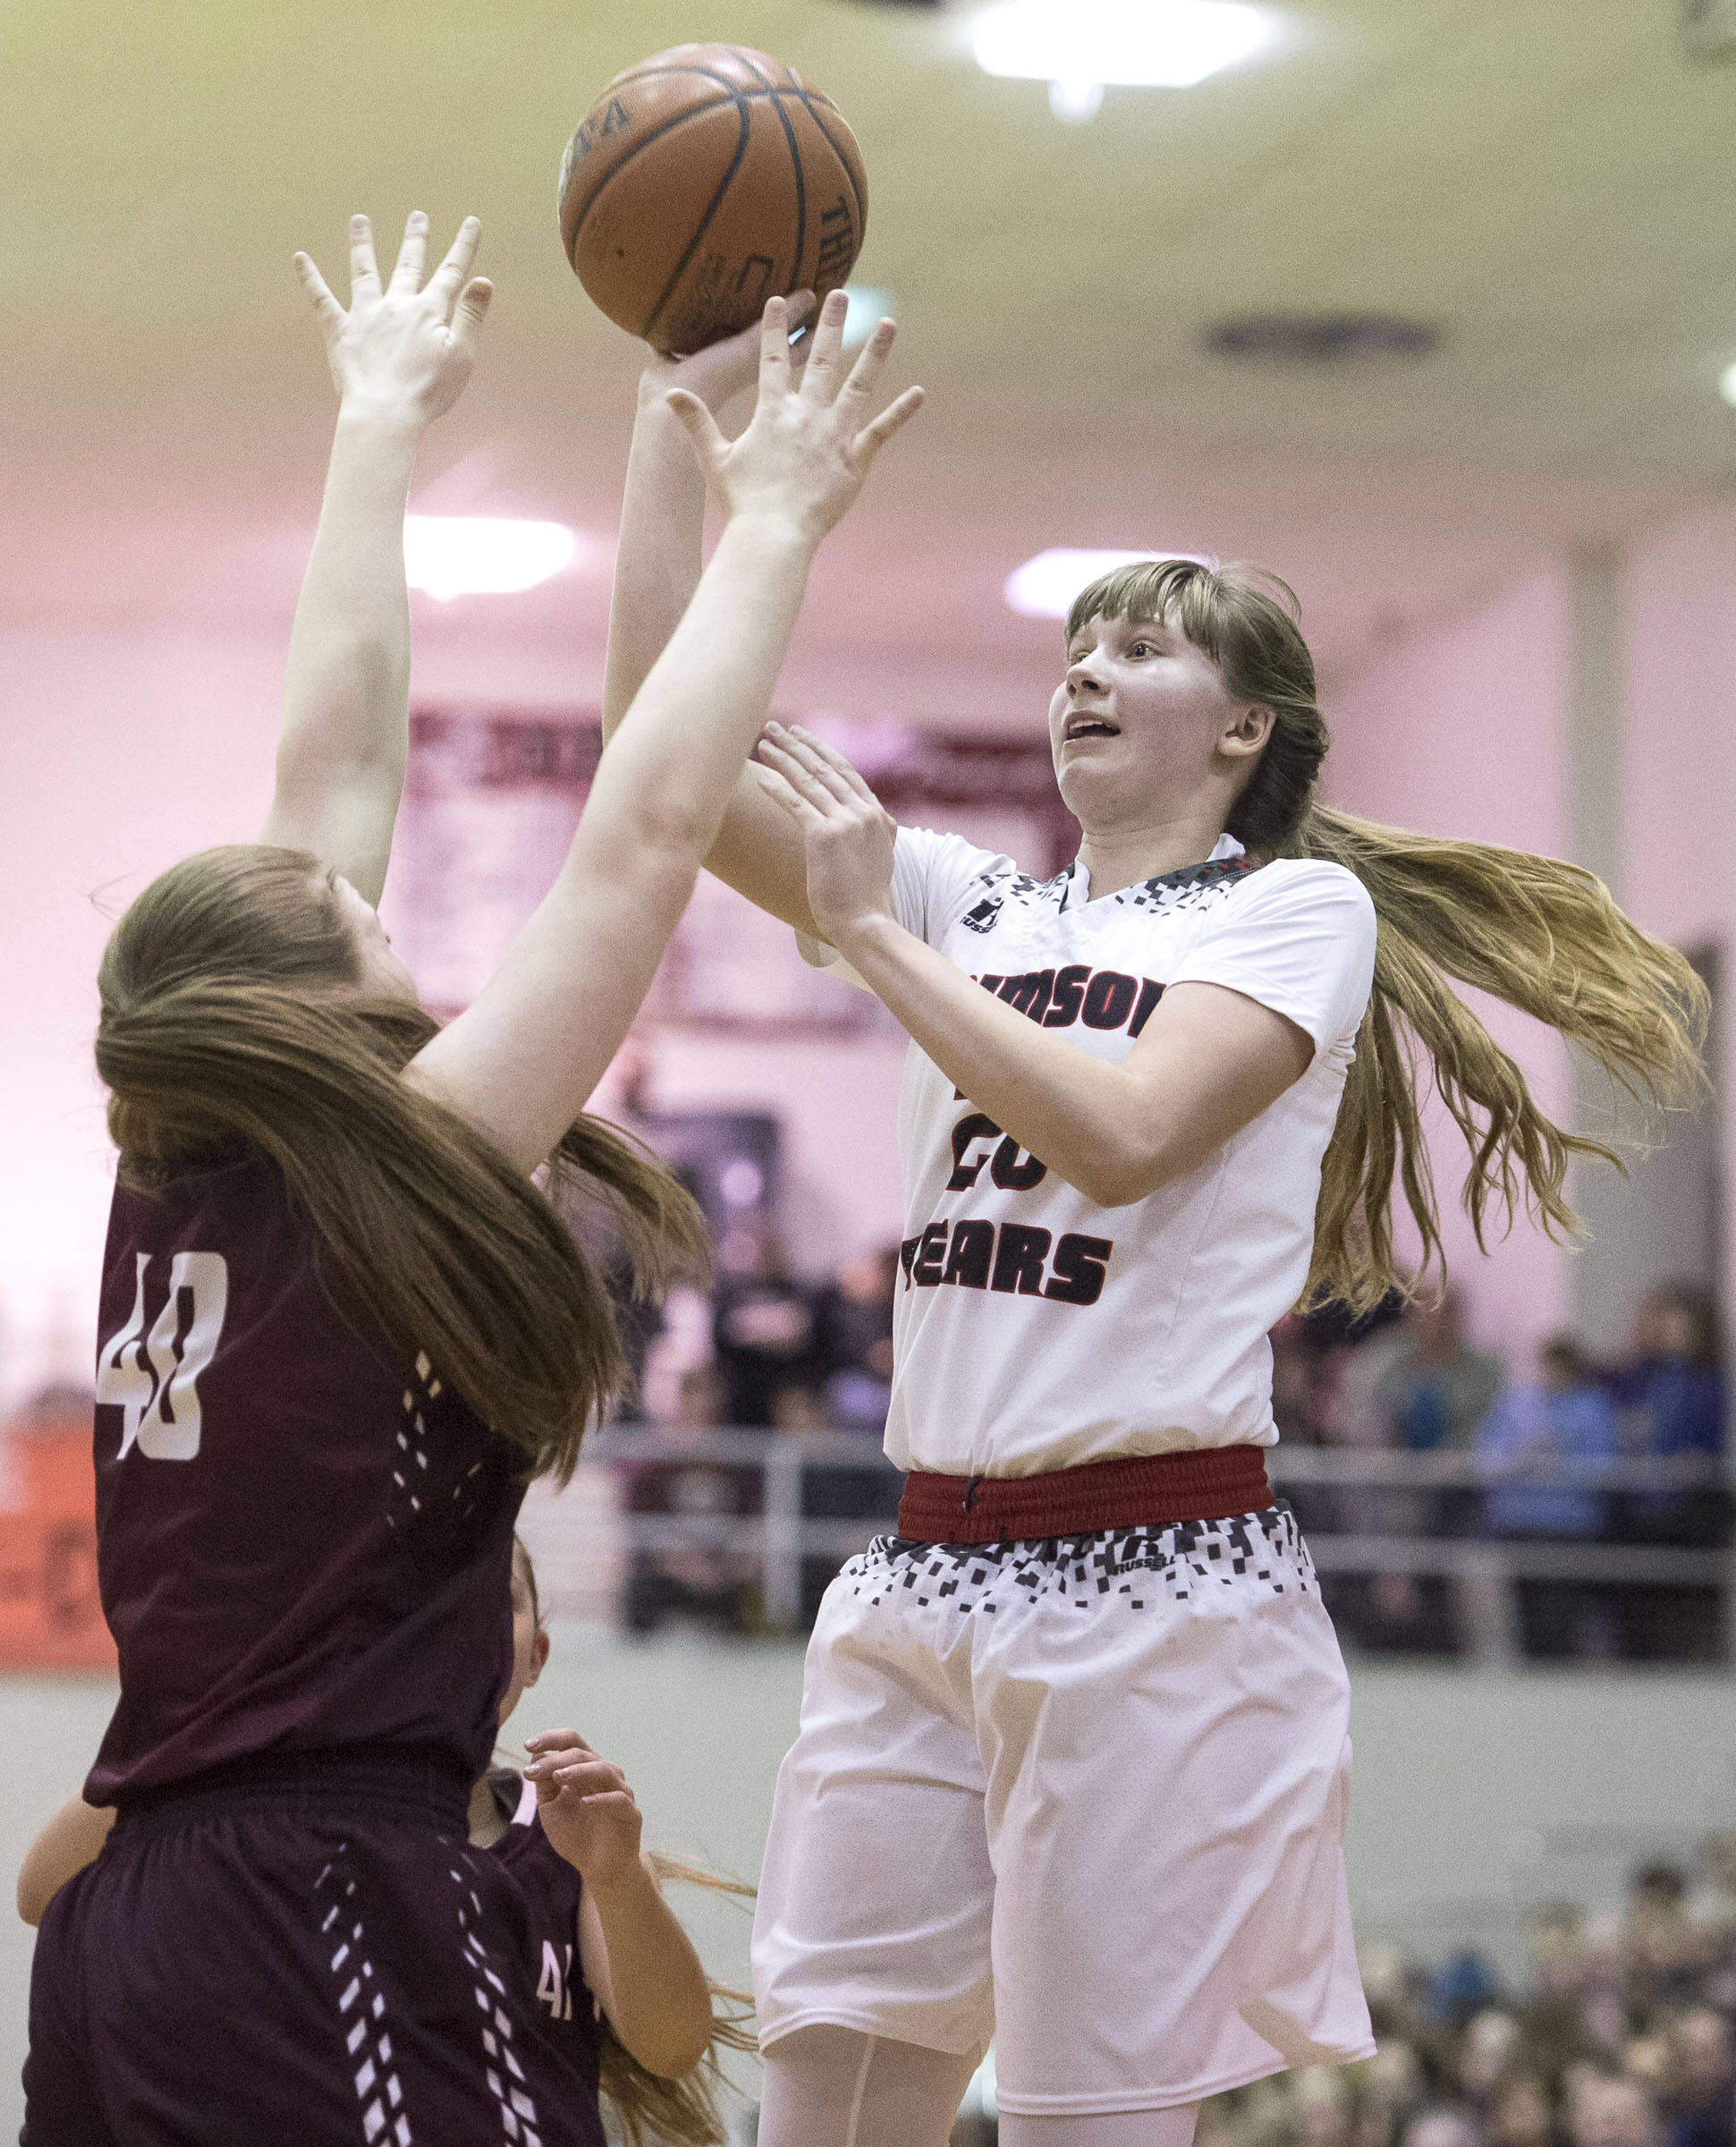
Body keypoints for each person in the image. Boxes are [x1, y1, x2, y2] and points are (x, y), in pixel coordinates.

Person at [602, 344, 1709, 2144]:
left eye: (1136, 648)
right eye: (1071, 652)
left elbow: (1119, 1137)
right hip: (914, 1574)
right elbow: (657, 744)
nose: (1084, 676)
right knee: (818, 2090)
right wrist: (670, 419)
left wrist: (872, 944)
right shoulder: (976, 897)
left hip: (1150, 1588)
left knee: (1075, 2125)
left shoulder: (1291, 911)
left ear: (1246, 726)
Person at [21, 215, 919, 2145]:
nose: (366, 880)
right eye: (341, 909)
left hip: (145, 1913)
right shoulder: (394, 1162)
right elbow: (646, 835)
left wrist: (377, 413)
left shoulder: (186, 1160)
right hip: (309, 1908)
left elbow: (327, 761)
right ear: (294, 998)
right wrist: (770, 520)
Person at [20, 1539, 749, 2145]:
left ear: (535, 1656)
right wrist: (211, 1721)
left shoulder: (576, 1843)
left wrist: (619, 1878)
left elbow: (673, 2045)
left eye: (497, 1599)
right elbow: (41, 1890)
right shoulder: (282, 1818)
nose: (461, 1623)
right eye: (438, 1595)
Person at [1476, 1337, 1618, 1661]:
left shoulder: (1591, 1407)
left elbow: (1605, 1467)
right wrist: (1520, 1459)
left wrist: (1561, 1462)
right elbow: (1486, 1459)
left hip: (1569, 1529)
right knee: (1525, 1615)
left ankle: (1560, 1675)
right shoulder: (1516, 1405)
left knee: (1561, 1613)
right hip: (1519, 1524)